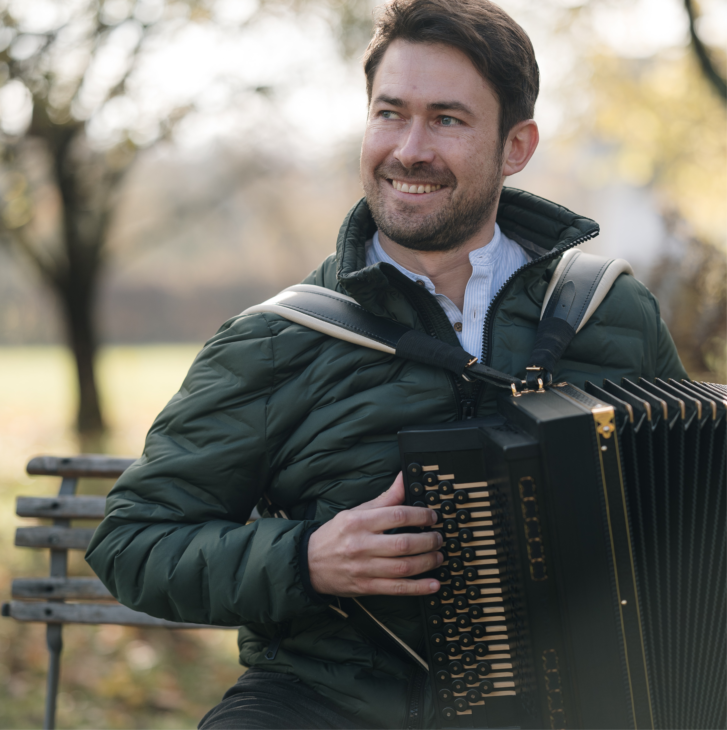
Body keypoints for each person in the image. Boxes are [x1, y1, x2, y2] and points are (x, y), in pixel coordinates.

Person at [86, 0, 688, 727]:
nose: (409, 148)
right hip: (331, 704)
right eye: (389, 112)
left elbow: (686, 524)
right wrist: (305, 559)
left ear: (516, 146)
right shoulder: (276, 341)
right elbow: (133, 541)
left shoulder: (609, 311)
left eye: (448, 119)